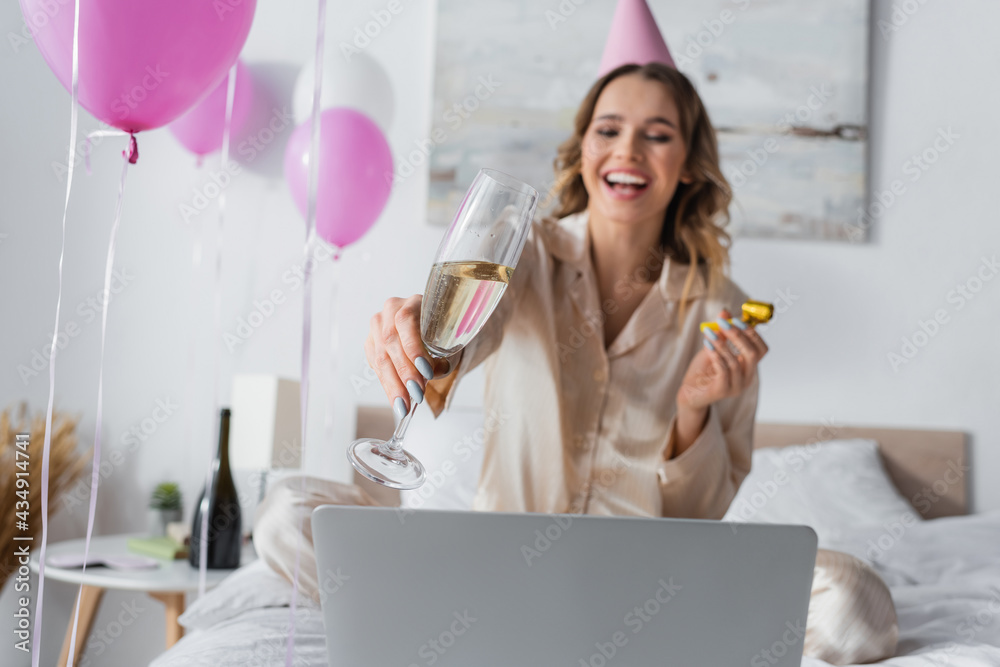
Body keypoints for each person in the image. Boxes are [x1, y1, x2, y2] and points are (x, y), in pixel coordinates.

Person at [255, 63, 898, 665]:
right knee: (288, 514)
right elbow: (472, 327)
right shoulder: (526, 250)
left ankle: (492, 637)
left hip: (646, 588)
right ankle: (481, 630)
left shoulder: (720, 310)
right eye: (609, 129)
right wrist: (429, 337)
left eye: (658, 135)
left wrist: (692, 410)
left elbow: (699, 519)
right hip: (498, 566)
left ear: (689, 167)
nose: (628, 151)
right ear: (584, 150)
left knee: (853, 599)